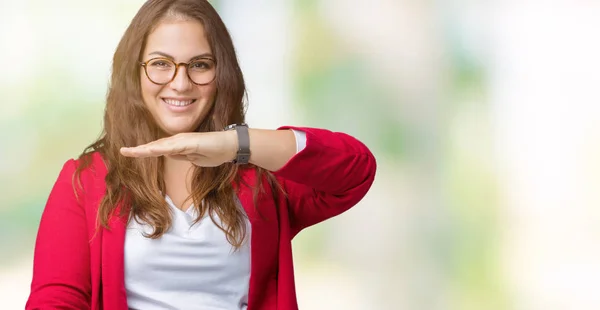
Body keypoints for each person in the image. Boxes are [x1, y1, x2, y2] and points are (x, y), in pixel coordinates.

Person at [25, 0, 376, 309]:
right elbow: (54, 301)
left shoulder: (260, 179)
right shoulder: (87, 179)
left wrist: (233, 145)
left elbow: (356, 169)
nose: (180, 83)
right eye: (161, 63)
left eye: (200, 64)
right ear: (135, 72)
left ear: (221, 73)